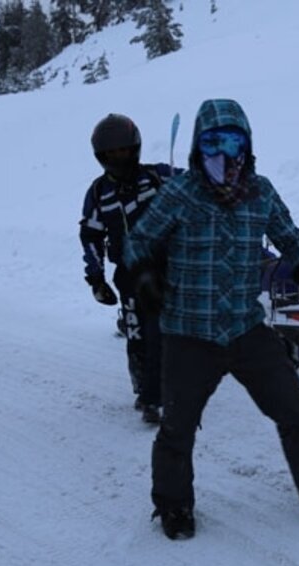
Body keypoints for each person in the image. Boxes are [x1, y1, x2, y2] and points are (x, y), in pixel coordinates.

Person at [123, 98, 299, 540]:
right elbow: (137, 242)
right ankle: (174, 505)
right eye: (213, 142)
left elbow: (290, 238)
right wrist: (143, 275)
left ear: (248, 146)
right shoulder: (178, 193)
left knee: (295, 409)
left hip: (244, 326)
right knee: (177, 427)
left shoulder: (261, 192)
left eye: (233, 141)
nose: (224, 153)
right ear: (198, 147)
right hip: (188, 331)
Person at [79, 113, 178, 424]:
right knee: (140, 334)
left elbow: (198, 187)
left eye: (123, 150)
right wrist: (96, 279)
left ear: (135, 148)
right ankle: (149, 395)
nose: (118, 157)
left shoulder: (159, 176)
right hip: (130, 273)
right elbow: (91, 235)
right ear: (101, 157)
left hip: (170, 264)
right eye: (111, 153)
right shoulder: (98, 193)